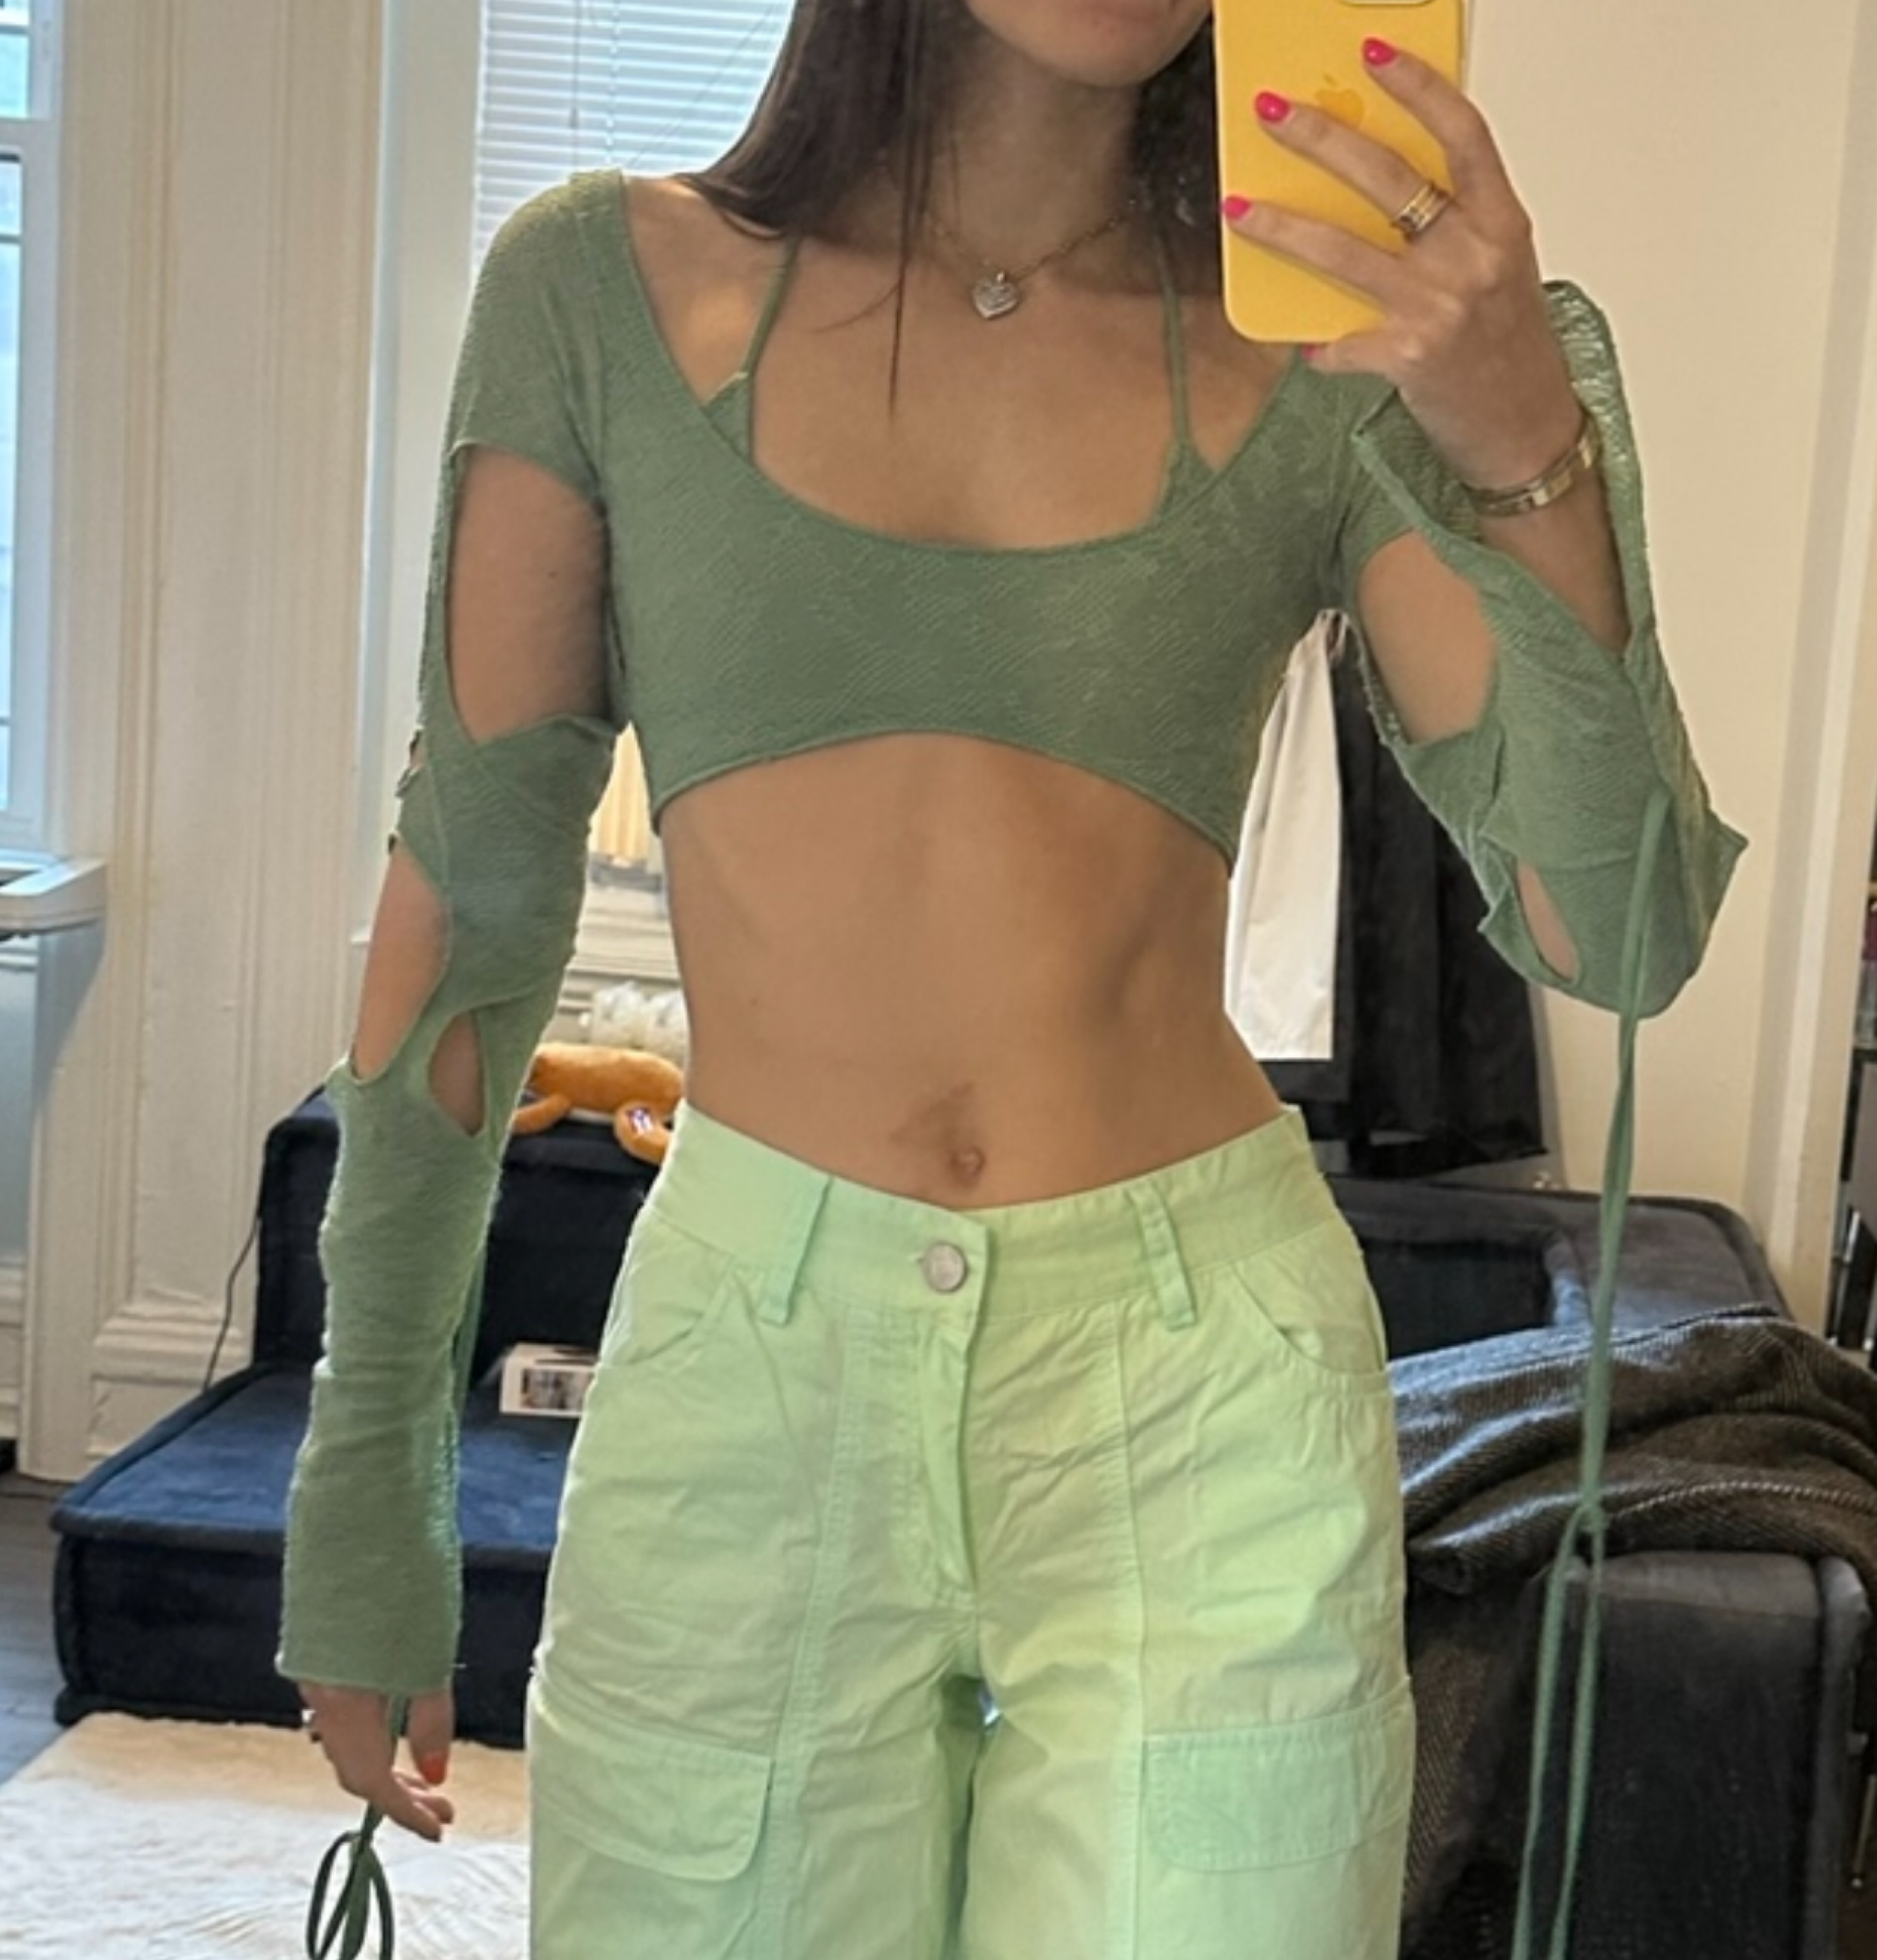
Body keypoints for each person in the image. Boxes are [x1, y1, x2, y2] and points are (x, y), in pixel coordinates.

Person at [276, 3, 1746, 1956]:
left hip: (1204, 1407)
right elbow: (470, 894)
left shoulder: (1325, 356)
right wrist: (368, 1477)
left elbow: (1614, 929)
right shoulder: (596, 294)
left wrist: (1524, 442)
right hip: (753, 1393)